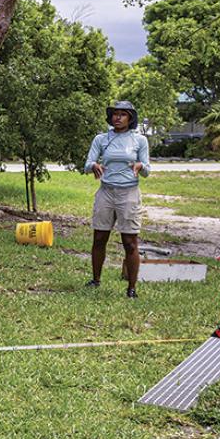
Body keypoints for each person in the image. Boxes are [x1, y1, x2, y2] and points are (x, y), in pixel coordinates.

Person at [83, 100, 150, 298]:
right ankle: (95, 280)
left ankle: (131, 288)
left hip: (128, 194)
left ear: (130, 118)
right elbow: (87, 164)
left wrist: (139, 166)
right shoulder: (101, 139)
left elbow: (147, 169)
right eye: (115, 114)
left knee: (129, 241)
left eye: (122, 114)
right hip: (106, 192)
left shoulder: (139, 140)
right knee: (99, 237)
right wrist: (94, 165)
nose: (117, 118)